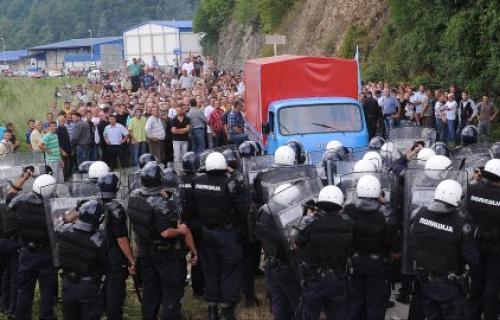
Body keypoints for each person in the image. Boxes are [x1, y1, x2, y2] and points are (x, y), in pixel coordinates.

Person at [128, 162, 197, 320]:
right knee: (171, 289)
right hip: (164, 253)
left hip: (144, 250)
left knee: (150, 289)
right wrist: (180, 230)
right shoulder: (160, 204)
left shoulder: (134, 198)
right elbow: (165, 232)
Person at [192, 152, 249, 320]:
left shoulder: (197, 182)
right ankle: (226, 311)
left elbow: (193, 206)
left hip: (207, 232)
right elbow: (243, 208)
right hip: (226, 233)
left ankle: (212, 310)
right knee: (229, 271)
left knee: (211, 270)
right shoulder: (229, 183)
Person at [411, 180, 478, 319]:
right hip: (450, 287)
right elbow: (471, 257)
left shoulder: (420, 214)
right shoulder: (462, 223)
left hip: (426, 283)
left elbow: (413, 240)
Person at [344, 175, 399, 320]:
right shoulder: (385, 214)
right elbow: (396, 247)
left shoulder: (349, 210)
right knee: (375, 306)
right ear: (377, 192)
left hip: (354, 264)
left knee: (356, 304)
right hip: (378, 267)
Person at [294, 185, 352, 320]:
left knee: (309, 315)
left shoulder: (311, 223)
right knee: (338, 314)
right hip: (338, 278)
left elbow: (297, 242)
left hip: (315, 279)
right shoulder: (348, 224)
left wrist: (308, 217)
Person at [7, 174, 58, 320]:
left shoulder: (20, 202)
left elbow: (10, 196)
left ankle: (22, 316)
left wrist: (24, 177)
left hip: (26, 252)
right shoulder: (51, 209)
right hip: (45, 254)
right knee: (47, 291)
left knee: (24, 289)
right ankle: (46, 316)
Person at [57, 199, 107, 320]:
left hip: (67, 284)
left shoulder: (64, 231)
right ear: (99, 219)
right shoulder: (99, 240)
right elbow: (106, 266)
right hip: (88, 287)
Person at [97, 173, 136, 320]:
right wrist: (131, 259)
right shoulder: (116, 209)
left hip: (97, 251)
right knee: (115, 289)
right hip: (113, 254)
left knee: (102, 283)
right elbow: (121, 239)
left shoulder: (92, 203)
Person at [467, 159, 500, 320]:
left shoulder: (473, 189)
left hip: (476, 241)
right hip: (496, 247)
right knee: (492, 283)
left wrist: (477, 179)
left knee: (477, 280)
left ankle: (473, 314)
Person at [179, 152, 204, 297]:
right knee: (198, 254)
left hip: (183, 223)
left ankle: (182, 282)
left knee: (181, 255)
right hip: (197, 223)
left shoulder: (179, 179)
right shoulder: (199, 180)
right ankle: (198, 289)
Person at [171, 104, 191, 172]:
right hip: (176, 140)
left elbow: (188, 129)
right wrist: (183, 130)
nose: (178, 112)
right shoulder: (174, 119)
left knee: (184, 156)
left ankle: (184, 169)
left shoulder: (187, 119)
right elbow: (173, 131)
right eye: (177, 111)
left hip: (185, 140)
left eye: (179, 110)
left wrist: (178, 130)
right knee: (177, 156)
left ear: (183, 110)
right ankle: (177, 170)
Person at [57, 115, 72, 181]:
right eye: (61, 121)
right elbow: (57, 143)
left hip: (68, 150)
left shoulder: (65, 128)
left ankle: (67, 178)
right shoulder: (58, 130)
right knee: (63, 166)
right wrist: (62, 151)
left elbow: (68, 139)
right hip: (63, 151)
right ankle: (63, 180)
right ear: (59, 121)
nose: (63, 122)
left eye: (63, 120)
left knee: (68, 166)